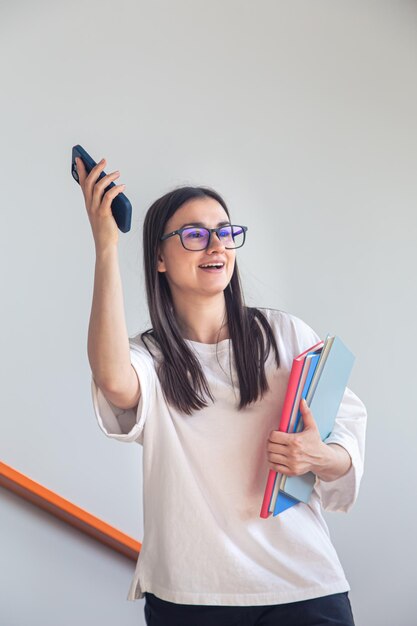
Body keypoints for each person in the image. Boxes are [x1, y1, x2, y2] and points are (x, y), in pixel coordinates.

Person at [79, 155, 367, 626]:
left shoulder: (286, 335)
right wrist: (106, 245)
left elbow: (342, 454)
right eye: (193, 234)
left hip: (303, 587)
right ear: (159, 257)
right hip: (190, 596)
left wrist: (316, 456)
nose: (216, 244)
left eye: (225, 231)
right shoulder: (149, 358)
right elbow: (113, 380)